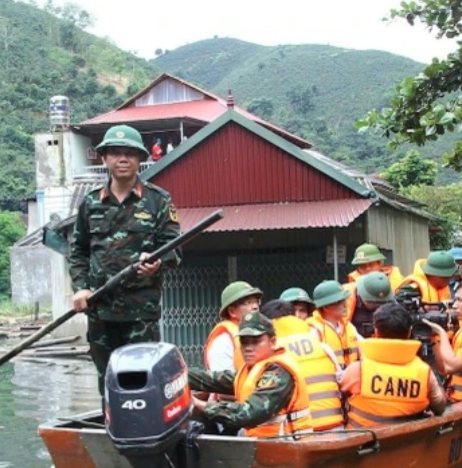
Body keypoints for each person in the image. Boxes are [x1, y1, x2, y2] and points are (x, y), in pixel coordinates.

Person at [69, 124, 181, 396]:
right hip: (100, 311)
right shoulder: (91, 202)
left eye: (130, 153)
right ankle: (111, 432)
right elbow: (79, 250)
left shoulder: (158, 200)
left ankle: (144, 433)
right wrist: (81, 288)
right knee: (107, 381)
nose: (123, 159)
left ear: (140, 159)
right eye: (115, 153)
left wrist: (158, 262)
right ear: (104, 158)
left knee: (143, 380)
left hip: (140, 312)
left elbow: (174, 249)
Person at [188, 312, 313, 437]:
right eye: (244, 342)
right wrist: (180, 374)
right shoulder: (251, 370)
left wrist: (200, 404)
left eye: (256, 341)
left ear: (272, 342)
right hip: (264, 447)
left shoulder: (279, 372)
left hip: (288, 449)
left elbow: (249, 414)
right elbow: (214, 379)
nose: (248, 348)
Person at [341, 302, 447, 427]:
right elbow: (440, 407)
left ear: (376, 332)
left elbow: (338, 398)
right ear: (409, 333)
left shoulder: (356, 371)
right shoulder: (425, 373)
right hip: (408, 442)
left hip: (363, 444)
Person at [262, 299, 344, 431]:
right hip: (335, 427)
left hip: (300, 433)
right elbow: (342, 382)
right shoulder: (322, 346)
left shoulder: (272, 352)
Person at [205, 281, 263, 372]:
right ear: (232, 311)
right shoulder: (223, 341)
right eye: (248, 302)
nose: (255, 306)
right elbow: (222, 381)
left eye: (256, 302)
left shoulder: (260, 332)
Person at [308, 280, 361, 366]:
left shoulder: (347, 326)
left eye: (344, 300)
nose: (345, 305)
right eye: (339, 302)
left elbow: (365, 350)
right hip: (328, 378)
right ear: (325, 307)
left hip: (350, 377)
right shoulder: (314, 330)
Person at [347, 271, 396, 338]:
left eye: (381, 303)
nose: (376, 306)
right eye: (371, 302)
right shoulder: (347, 299)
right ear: (361, 294)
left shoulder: (390, 301)